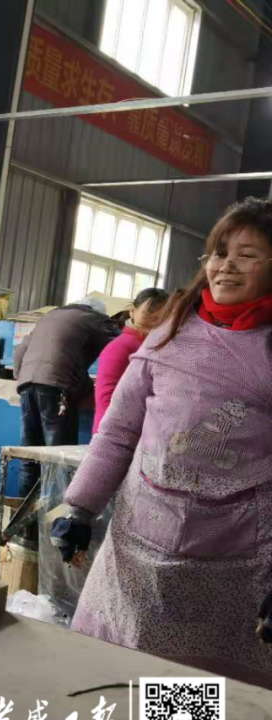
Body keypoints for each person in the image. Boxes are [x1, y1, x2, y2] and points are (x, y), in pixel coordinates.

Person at [52, 197, 272, 689]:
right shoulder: (170, 332)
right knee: (113, 676)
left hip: (234, 557)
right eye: (219, 253)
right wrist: (80, 508)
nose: (226, 266)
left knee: (187, 697)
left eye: (247, 255)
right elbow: (119, 431)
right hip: (138, 541)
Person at [12, 296, 121, 496]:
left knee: (29, 454)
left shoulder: (50, 316)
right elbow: (122, 347)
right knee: (59, 457)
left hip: (26, 385)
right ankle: (53, 512)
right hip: (57, 387)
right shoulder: (96, 320)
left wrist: (22, 377)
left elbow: (19, 350)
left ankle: (22, 510)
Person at [92, 287, 170, 434]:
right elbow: (106, 397)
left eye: (161, 314)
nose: (154, 318)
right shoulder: (120, 347)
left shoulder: (158, 345)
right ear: (132, 311)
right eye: (149, 312)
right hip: (117, 432)